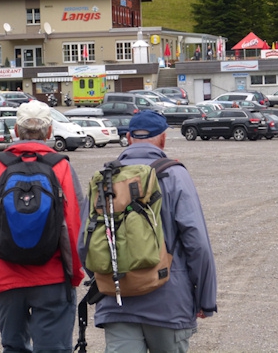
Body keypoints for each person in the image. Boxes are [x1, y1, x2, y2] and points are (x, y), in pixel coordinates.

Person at [78, 110, 217, 353]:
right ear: (163, 139)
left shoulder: (104, 179)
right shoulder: (175, 175)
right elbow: (198, 244)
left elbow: (84, 243)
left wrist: (106, 276)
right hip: (169, 301)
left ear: (129, 137)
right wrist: (205, 299)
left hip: (117, 302)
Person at [0, 100, 85, 352]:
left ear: (15, 131)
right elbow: (73, 225)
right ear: (50, 131)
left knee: (14, 347)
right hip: (52, 278)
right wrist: (74, 273)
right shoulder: (61, 166)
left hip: (6, 277)